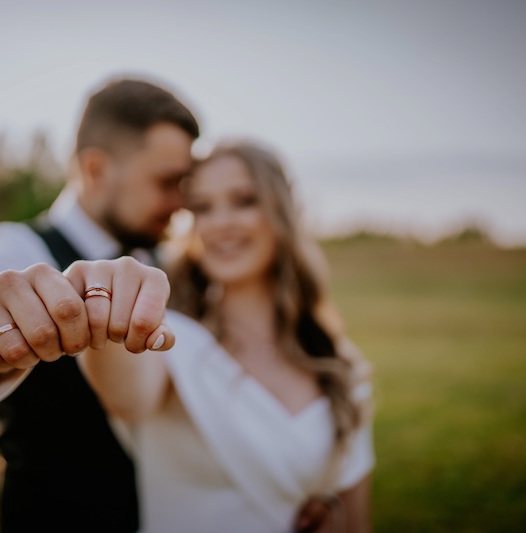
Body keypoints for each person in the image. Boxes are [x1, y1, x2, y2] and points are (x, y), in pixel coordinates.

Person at [0, 76, 199, 532]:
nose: (181, 203)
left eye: (185, 182)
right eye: (167, 182)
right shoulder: (12, 248)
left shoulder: (168, 261)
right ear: (96, 170)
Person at [79, 140, 376, 533]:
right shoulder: (169, 336)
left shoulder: (338, 360)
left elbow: (355, 518)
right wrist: (105, 306)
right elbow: (126, 395)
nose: (220, 223)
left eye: (244, 200)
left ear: (281, 211)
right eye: (202, 207)